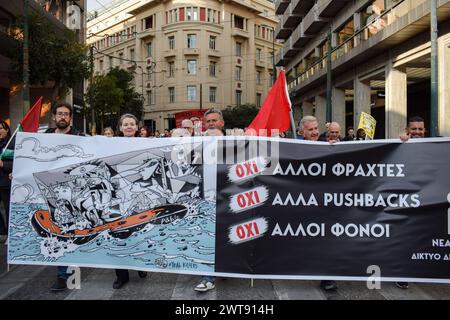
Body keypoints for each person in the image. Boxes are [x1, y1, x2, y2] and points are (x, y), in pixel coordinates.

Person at [45, 102, 84, 292]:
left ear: (70, 118)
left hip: (74, 194)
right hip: (51, 194)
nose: (62, 117)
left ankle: (69, 275)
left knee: (71, 232)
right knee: (58, 233)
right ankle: (62, 275)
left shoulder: (80, 137)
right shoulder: (44, 137)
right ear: (54, 117)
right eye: (59, 114)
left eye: (66, 114)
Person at [299, 116, 338, 291]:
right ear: (302, 132)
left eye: (316, 128)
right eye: (310, 129)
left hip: (324, 204)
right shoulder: (293, 148)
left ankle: (327, 277)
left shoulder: (329, 145)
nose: (315, 132)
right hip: (300, 203)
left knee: (325, 241)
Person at [113, 113, 148, 289]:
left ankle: (141, 265)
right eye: (125, 124)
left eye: (132, 124)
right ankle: (122, 275)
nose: (128, 127)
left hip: (139, 195)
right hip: (118, 197)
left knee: (139, 232)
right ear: (120, 128)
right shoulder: (110, 145)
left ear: (136, 127)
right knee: (120, 234)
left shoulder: (147, 144)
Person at [194, 109, 225, 293]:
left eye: (214, 120)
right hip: (206, 199)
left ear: (222, 123)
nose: (211, 123)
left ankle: (227, 268)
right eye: (208, 121)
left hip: (229, 198)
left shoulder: (236, 143)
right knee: (208, 237)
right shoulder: (196, 144)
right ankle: (207, 276)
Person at [395, 116, 426, 290]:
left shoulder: (435, 147)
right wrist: (400, 143)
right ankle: (402, 273)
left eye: (420, 129)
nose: (417, 132)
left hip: (427, 201)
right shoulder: (401, 145)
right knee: (404, 237)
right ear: (408, 131)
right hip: (405, 202)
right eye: (413, 129)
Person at [0, 120, 13, 243]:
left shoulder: (11, 144)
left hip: (6, 184)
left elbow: (16, 163)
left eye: (0, 128)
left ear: (7, 130)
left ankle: (10, 235)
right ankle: (2, 230)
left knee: (9, 210)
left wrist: (3, 164)